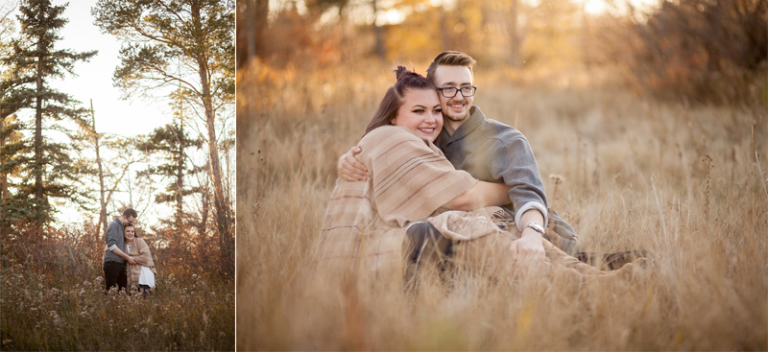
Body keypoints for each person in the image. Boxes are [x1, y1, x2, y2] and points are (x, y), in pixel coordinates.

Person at [318, 67, 641, 284]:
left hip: (538, 229)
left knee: (475, 220)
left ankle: (597, 277)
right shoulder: (394, 139)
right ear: (393, 116)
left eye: (435, 110)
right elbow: (462, 198)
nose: (431, 119)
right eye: (418, 111)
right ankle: (592, 284)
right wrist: (510, 190)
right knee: (462, 222)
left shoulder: (474, 139)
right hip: (367, 259)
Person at [103, 208, 138, 293]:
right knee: (111, 293)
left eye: (132, 222)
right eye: (130, 221)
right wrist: (128, 258)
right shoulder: (114, 225)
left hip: (120, 263)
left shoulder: (123, 227)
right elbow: (112, 246)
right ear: (124, 217)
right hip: (112, 263)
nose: (130, 224)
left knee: (122, 293)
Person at [123, 224, 157, 297]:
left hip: (144, 277)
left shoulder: (139, 241)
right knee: (134, 303)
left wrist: (130, 259)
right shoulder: (122, 244)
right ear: (123, 232)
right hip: (131, 277)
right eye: (127, 231)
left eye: (132, 231)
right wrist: (128, 258)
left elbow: (146, 257)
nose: (130, 233)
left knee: (144, 301)